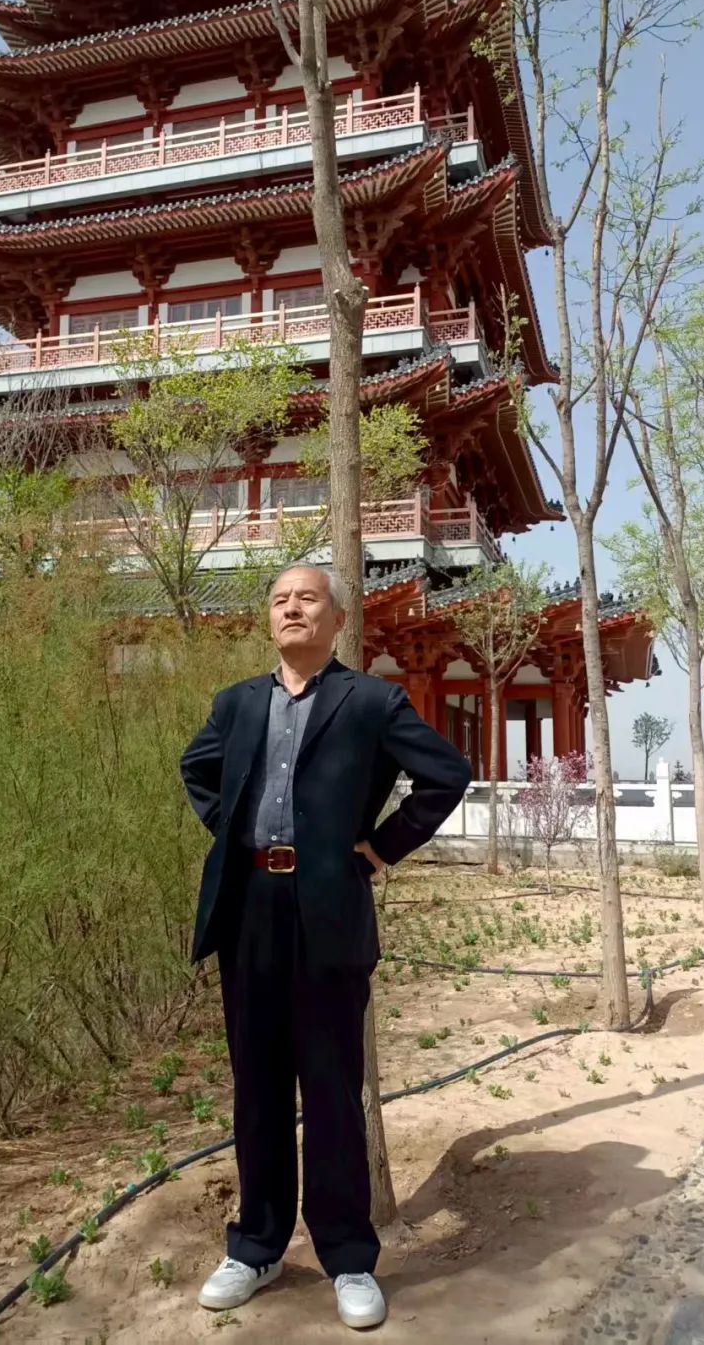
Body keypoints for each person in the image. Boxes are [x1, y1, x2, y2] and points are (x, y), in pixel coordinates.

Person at [180, 562, 471, 1330]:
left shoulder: (371, 700)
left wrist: (379, 848)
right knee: (257, 1085)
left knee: (334, 1088)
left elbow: (447, 772)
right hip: (249, 907)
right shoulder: (237, 703)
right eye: (280, 599)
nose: (291, 608)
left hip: (330, 908)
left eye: (307, 598)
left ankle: (347, 1255)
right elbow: (196, 767)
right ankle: (256, 1245)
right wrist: (234, 832)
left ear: (337, 618)